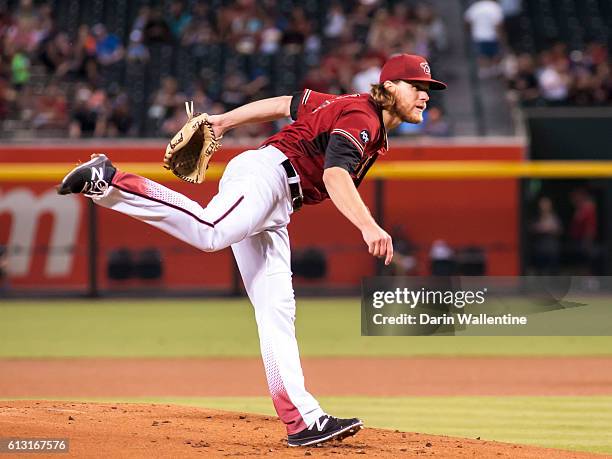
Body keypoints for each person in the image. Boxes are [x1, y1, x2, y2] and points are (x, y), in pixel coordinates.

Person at [57, 53, 447, 447]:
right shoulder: (362, 119)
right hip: (268, 177)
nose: (425, 96)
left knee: (276, 311)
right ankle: (107, 180)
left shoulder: (346, 106)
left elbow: (284, 104)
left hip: (277, 202)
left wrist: (223, 121)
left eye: (428, 89)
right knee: (211, 232)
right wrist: (368, 225)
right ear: (390, 88)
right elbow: (334, 174)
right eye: (418, 87)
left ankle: (302, 421)